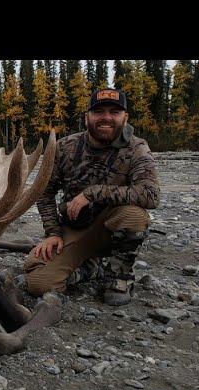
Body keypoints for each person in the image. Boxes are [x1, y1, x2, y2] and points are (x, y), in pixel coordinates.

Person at [22, 88, 160, 306]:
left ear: (125, 117)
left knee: (134, 215)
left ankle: (119, 276)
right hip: (75, 227)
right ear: (87, 118)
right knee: (39, 283)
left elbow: (151, 195)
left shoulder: (137, 148)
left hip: (112, 229)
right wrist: (52, 232)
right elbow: (44, 192)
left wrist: (93, 192)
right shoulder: (65, 147)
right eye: (98, 112)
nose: (106, 117)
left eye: (114, 112)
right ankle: (92, 269)